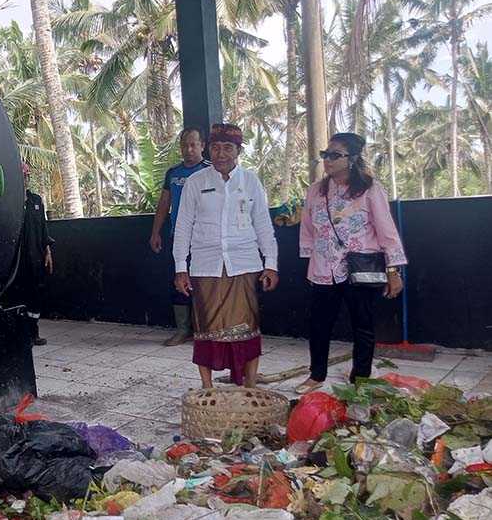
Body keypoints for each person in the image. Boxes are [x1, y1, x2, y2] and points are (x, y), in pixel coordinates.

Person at [297, 132, 407, 393]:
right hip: (324, 269)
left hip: (361, 269)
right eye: (326, 154)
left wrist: (393, 270)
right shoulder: (316, 190)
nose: (328, 160)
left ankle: (361, 380)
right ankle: (316, 375)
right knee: (319, 324)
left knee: (363, 326)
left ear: (352, 159)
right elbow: (308, 229)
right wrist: (311, 262)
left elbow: (386, 231)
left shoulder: (369, 189)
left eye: (335, 155)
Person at [172, 123, 279, 389]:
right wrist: (180, 268)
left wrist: (271, 264)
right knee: (206, 328)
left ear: (239, 151)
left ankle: (250, 386)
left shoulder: (251, 181)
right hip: (205, 267)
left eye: (227, 148)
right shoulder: (196, 182)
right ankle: (207, 388)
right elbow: (183, 225)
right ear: (209, 149)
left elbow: (263, 225)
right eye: (216, 147)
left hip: (244, 265)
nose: (221, 154)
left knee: (248, 328)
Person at [150, 127, 210, 346]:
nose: (189, 149)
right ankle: (183, 329)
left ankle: (205, 330)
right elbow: (164, 204)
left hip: (205, 239)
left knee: (205, 283)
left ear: (202, 146)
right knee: (179, 282)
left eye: (194, 144)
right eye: (185, 145)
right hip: (180, 238)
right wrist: (156, 231)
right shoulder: (173, 173)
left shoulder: (210, 171)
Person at [17, 163, 54, 346]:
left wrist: (47, 251)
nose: (24, 180)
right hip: (17, 261)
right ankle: (22, 335)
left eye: (25, 176)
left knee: (36, 296)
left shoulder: (36, 201)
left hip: (36, 258)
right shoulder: (10, 204)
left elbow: (43, 229)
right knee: (20, 297)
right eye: (21, 176)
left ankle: (34, 333)